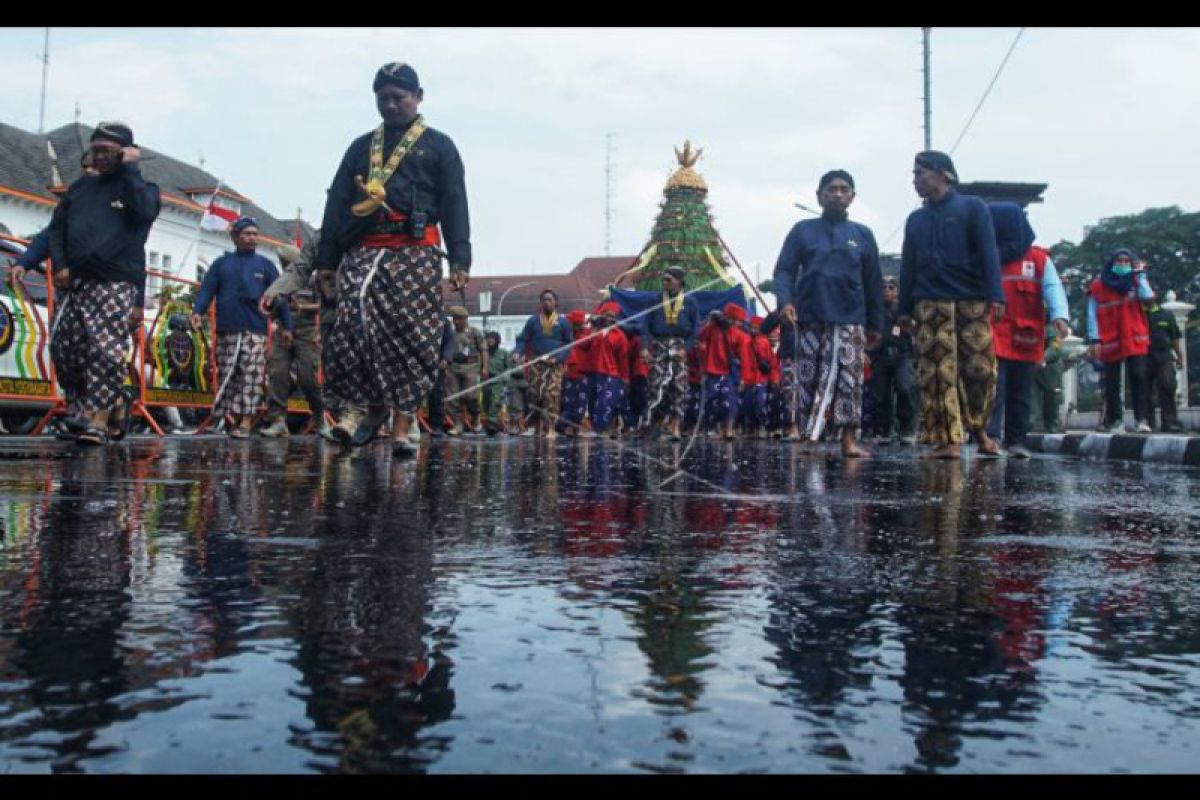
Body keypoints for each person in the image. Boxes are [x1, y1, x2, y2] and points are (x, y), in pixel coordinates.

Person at [314, 62, 471, 457]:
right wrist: (327, 261)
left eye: (398, 98)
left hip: (415, 250)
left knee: (411, 333)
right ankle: (358, 410)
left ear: (419, 97)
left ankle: (402, 424)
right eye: (382, 98)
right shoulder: (360, 146)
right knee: (353, 320)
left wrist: (461, 259)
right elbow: (336, 204)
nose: (389, 105)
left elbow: (455, 202)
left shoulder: (440, 146)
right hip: (365, 247)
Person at [45, 121, 161, 445]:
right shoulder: (79, 190)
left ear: (125, 152)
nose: (99, 157)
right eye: (95, 150)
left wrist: (131, 170)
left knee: (103, 349)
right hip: (75, 281)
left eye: (107, 151)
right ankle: (96, 405)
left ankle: (97, 416)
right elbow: (55, 230)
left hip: (114, 281)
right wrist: (62, 265)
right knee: (64, 348)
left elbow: (145, 213)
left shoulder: (140, 188)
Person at [898, 151, 1004, 460]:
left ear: (944, 174)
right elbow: (908, 267)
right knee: (936, 374)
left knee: (980, 370)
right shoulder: (915, 219)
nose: (915, 180)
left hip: (971, 301)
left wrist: (996, 295)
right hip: (929, 305)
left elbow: (989, 253)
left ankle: (981, 430)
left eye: (920, 173)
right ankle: (948, 441)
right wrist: (905, 309)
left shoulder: (973, 208)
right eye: (914, 174)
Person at [773, 169, 883, 458]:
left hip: (850, 320)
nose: (837, 194)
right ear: (819, 196)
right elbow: (784, 270)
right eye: (831, 189)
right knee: (808, 380)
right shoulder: (802, 230)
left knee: (849, 382)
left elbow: (873, 282)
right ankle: (810, 438)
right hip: (809, 318)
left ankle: (848, 442)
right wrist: (784, 301)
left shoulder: (863, 234)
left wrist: (876, 325)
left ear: (852, 197)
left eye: (844, 189)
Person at [983, 203, 1071, 458]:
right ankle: (991, 437)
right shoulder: (987, 257)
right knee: (993, 388)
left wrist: (1060, 316)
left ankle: (1016, 440)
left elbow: (1053, 288)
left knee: (1021, 391)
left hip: (1025, 336)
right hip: (992, 335)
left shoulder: (1039, 259)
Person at [191, 216, 290, 438]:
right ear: (235, 237)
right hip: (227, 329)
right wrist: (198, 311)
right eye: (247, 234)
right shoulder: (221, 264)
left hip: (255, 331)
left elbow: (279, 297)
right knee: (229, 373)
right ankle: (230, 419)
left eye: (255, 234)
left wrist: (287, 326)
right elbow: (207, 290)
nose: (252, 238)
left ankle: (245, 422)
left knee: (251, 375)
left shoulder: (265, 265)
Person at [259, 244, 330, 439]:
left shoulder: (313, 281)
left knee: (308, 378)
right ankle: (278, 421)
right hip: (283, 331)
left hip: (307, 332)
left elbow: (324, 304)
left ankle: (319, 417)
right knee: (277, 374)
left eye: (286, 262)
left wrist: (301, 308)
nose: (284, 266)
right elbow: (270, 310)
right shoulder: (279, 282)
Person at [1086, 248, 1154, 433]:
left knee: (1139, 377)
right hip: (1111, 338)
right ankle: (1116, 421)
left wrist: (1140, 275)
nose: (1123, 265)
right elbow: (1092, 313)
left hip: (1134, 337)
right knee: (1112, 383)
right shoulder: (1099, 285)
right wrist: (1094, 338)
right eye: (1119, 261)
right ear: (1112, 263)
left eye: (1126, 261)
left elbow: (1147, 297)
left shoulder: (1136, 280)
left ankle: (1142, 420)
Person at [640, 266, 699, 441]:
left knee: (679, 388)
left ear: (679, 281)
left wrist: (685, 348)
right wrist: (644, 347)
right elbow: (645, 326)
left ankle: (675, 427)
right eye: (663, 279)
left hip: (679, 347)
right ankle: (656, 424)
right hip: (659, 348)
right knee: (656, 387)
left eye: (668, 279)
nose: (664, 282)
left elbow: (696, 330)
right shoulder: (655, 300)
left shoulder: (690, 302)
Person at [514, 289, 573, 439]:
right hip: (536, 363)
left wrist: (558, 359)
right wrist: (518, 352)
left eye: (550, 300)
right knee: (535, 394)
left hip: (554, 365)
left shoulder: (564, 322)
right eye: (544, 300)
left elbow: (569, 345)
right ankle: (537, 426)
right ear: (540, 303)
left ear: (556, 303)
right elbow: (522, 339)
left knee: (551, 395)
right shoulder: (533, 321)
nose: (547, 302)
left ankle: (551, 427)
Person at [866, 276, 918, 445]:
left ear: (897, 291)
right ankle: (883, 429)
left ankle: (907, 429)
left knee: (905, 387)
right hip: (879, 356)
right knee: (880, 395)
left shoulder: (904, 309)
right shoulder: (874, 310)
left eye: (891, 287)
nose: (887, 290)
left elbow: (915, 329)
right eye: (884, 287)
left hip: (902, 355)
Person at [696, 302, 752, 440]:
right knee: (713, 401)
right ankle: (717, 429)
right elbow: (700, 336)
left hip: (729, 374)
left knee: (730, 401)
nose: (739, 324)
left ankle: (729, 430)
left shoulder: (740, 335)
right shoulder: (713, 329)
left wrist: (744, 378)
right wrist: (709, 322)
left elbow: (744, 358)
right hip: (712, 372)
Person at [578, 302, 629, 438]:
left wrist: (625, 379)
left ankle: (602, 430)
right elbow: (582, 345)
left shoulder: (619, 336)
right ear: (602, 315)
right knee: (592, 403)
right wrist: (594, 331)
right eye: (607, 315)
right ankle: (602, 431)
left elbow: (623, 359)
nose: (610, 319)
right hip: (591, 374)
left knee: (604, 403)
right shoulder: (591, 331)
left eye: (613, 316)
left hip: (611, 375)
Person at [444, 305, 488, 434]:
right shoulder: (450, 333)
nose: (456, 321)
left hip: (471, 367)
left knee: (471, 396)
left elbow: (483, 350)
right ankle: (458, 424)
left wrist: (485, 367)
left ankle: (475, 418)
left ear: (465, 318)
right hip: (453, 368)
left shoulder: (475, 332)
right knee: (452, 398)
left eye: (458, 318)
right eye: (454, 318)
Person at [1144, 298, 1185, 432]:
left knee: (1167, 384)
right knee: (1144, 391)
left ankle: (1169, 421)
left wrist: (1180, 356)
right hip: (1143, 356)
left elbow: (1174, 337)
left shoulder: (1166, 315)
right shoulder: (1138, 315)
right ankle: (1148, 423)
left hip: (1164, 355)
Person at [558, 309, 590, 437]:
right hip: (568, 374)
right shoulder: (566, 335)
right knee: (567, 402)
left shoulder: (587, 335)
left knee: (580, 404)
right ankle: (566, 426)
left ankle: (574, 428)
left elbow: (587, 343)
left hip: (582, 375)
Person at [741, 316, 773, 438]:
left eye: (756, 328)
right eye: (752, 327)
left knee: (760, 403)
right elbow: (744, 361)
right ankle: (752, 428)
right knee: (748, 403)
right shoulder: (746, 342)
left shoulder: (764, 342)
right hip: (749, 378)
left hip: (760, 378)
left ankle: (762, 426)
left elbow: (769, 361)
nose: (754, 330)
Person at [1030, 324, 1066, 433]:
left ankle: (1052, 423)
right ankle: (1034, 423)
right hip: (1034, 367)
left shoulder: (1053, 328)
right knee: (1032, 397)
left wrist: (1043, 357)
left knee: (1053, 397)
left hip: (1051, 369)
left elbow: (1055, 348)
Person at [482, 331, 515, 435]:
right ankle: (490, 423)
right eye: (489, 338)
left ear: (497, 340)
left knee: (495, 402)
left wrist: (506, 377)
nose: (490, 340)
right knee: (486, 403)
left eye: (493, 338)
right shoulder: (484, 353)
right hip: (486, 381)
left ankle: (493, 424)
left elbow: (508, 367)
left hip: (498, 381)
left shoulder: (503, 353)